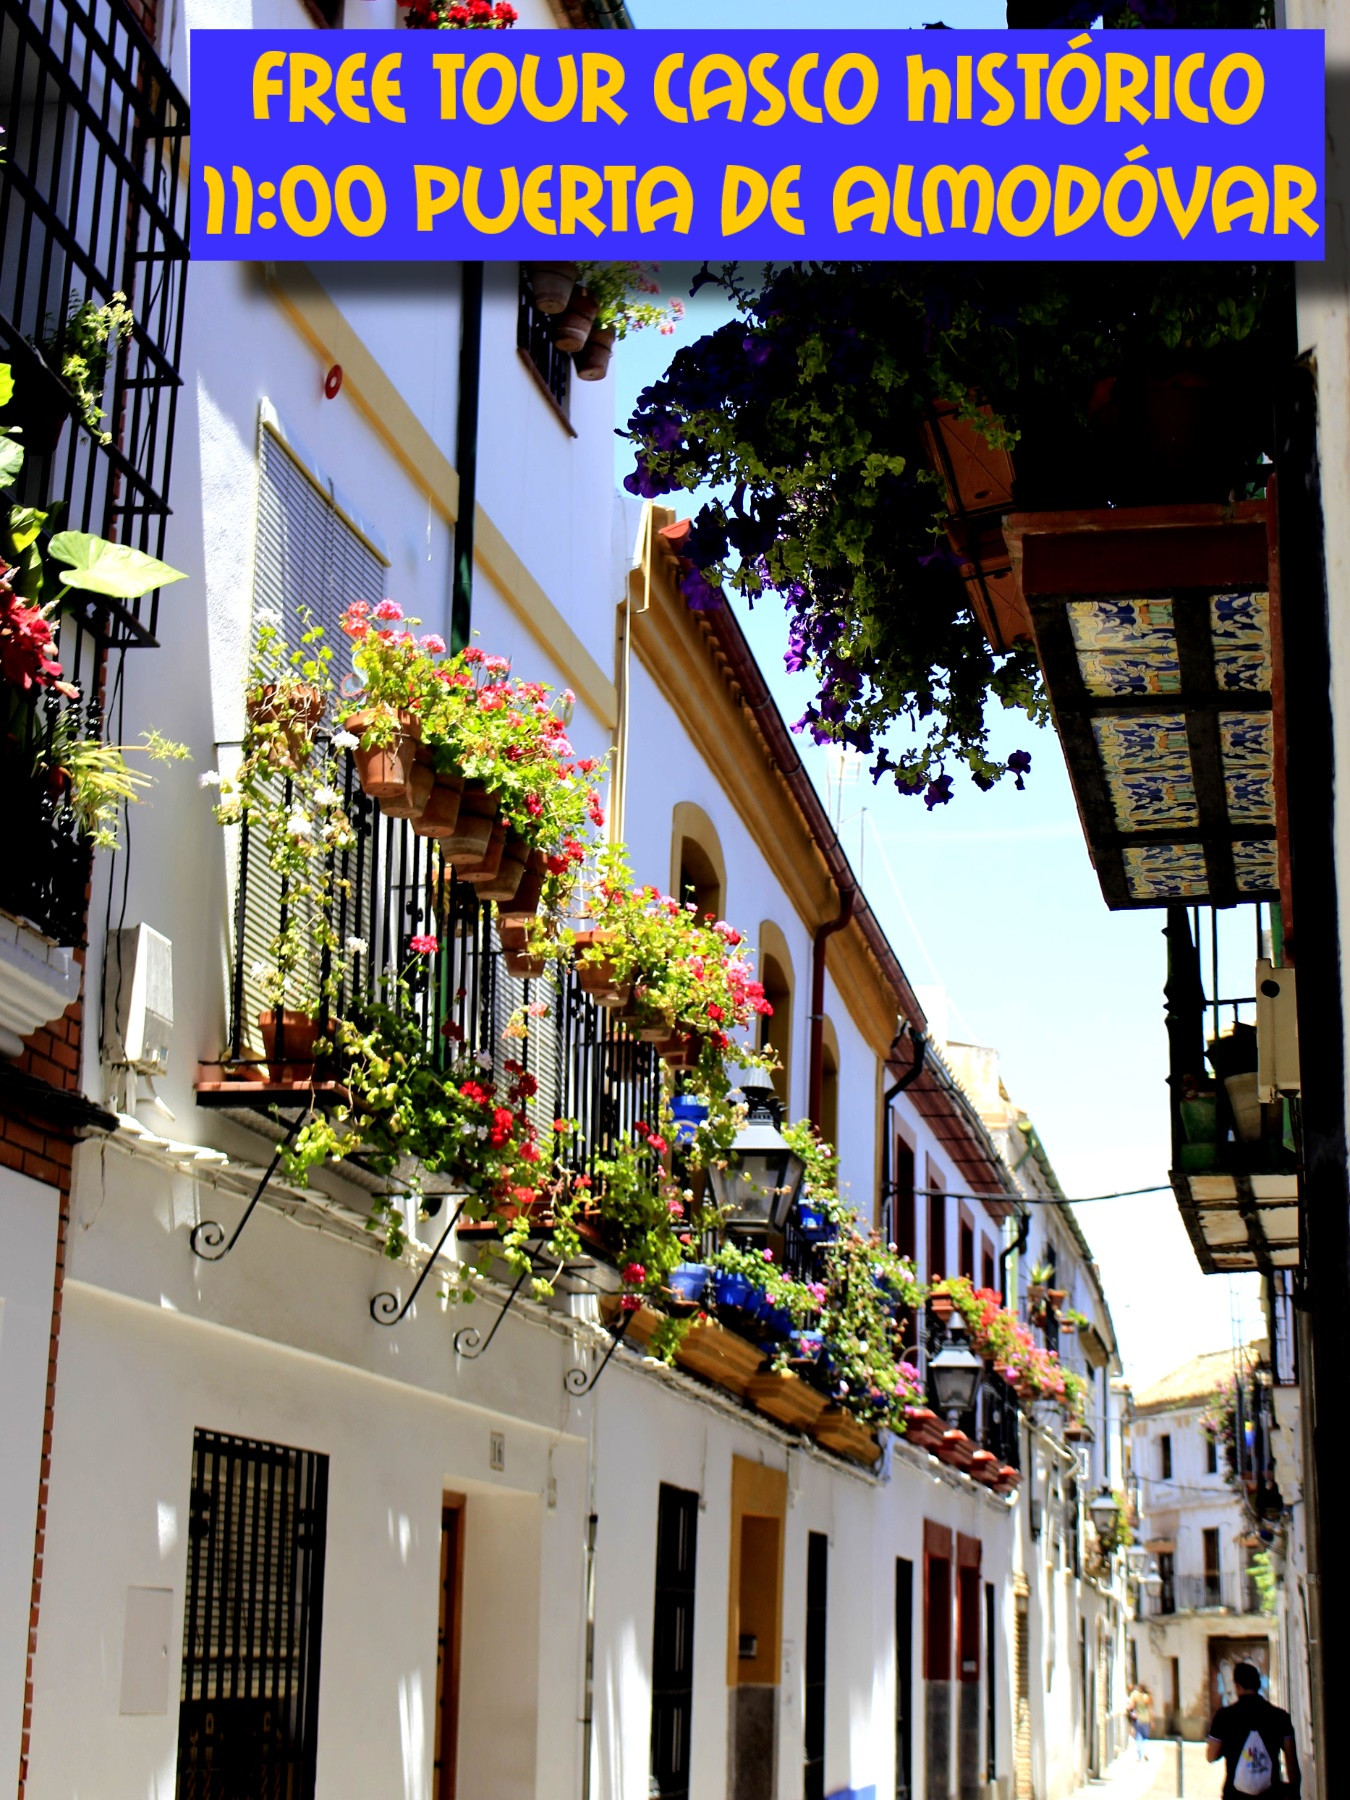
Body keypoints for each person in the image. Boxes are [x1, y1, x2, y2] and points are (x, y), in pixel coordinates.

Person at [1206, 1661, 1300, 1798]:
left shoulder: (1224, 1717)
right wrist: (1294, 1791)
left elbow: (1211, 1756)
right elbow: (1291, 1762)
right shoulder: (1280, 1716)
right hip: (1270, 1794)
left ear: (1237, 1686)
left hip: (1235, 1795)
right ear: (1258, 1684)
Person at [1127, 1684, 1153, 1760]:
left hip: (1138, 1719)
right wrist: (1151, 1721)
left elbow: (1131, 1707)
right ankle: (1145, 1752)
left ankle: (1140, 1755)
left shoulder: (1136, 1696)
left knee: (1138, 1736)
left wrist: (1129, 1711)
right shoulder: (1147, 1697)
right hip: (1146, 1719)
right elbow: (1150, 1710)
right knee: (1145, 1737)